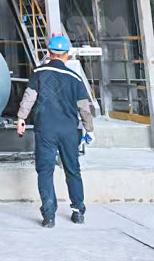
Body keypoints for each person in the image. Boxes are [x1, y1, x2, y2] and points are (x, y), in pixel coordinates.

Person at [16, 34, 95, 228]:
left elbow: (29, 98)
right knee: (72, 170)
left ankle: (49, 216)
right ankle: (78, 211)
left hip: (46, 130)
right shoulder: (75, 78)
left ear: (49, 53)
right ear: (66, 55)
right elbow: (84, 108)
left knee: (45, 171)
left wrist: (21, 119)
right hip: (69, 131)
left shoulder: (39, 73)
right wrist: (89, 130)